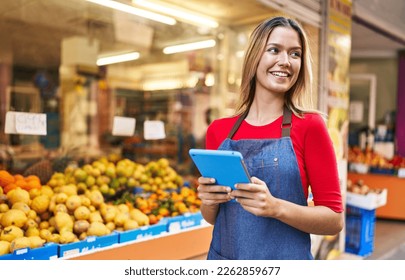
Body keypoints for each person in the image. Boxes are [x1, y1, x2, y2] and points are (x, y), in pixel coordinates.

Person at [197, 16, 344, 260]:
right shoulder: (218, 131)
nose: (285, 61)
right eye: (274, 50)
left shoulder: (309, 126)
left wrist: (276, 208)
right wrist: (209, 201)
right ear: (255, 57)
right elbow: (213, 217)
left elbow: (334, 220)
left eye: (295, 54)